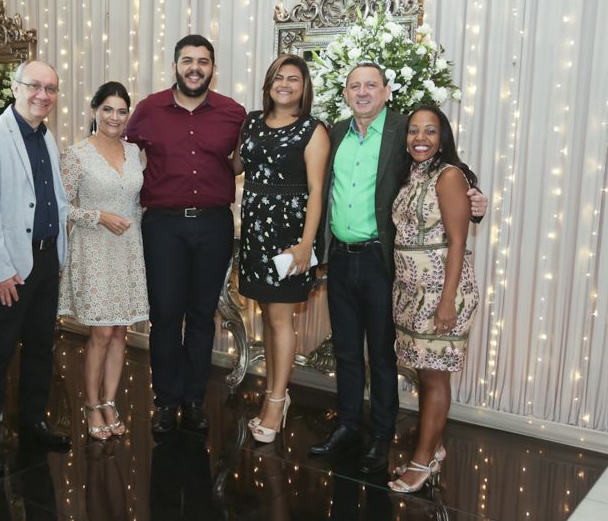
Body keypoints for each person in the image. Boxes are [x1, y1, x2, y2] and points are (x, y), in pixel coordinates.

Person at [308, 63, 487, 475]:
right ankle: (348, 426)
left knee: (382, 355)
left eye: (371, 85)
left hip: (382, 261)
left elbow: (447, 171)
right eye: (355, 86)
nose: (362, 92)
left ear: (387, 91)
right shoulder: (335, 132)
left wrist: (477, 202)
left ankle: (381, 435)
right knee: (347, 351)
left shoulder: (405, 129)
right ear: (345, 93)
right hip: (341, 258)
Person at [124, 34, 246, 433]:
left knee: (201, 315)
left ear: (213, 68)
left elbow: (243, 161)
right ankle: (166, 400)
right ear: (175, 65)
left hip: (213, 225)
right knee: (165, 314)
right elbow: (122, 156)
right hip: (163, 226)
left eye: (203, 61)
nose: (195, 68)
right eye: (188, 60)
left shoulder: (233, 113)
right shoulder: (148, 109)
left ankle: (194, 399)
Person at [0, 60, 70, 474]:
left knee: (41, 346)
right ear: (16, 87)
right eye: (35, 86)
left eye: (51, 88)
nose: (43, 95)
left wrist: (58, 254)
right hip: (8, 264)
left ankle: (33, 421)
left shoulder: (47, 137)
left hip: (44, 257)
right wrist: (0, 270)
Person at [232, 54, 329, 443]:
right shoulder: (252, 121)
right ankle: (275, 391)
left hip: (289, 236)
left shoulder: (312, 130)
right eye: (279, 77)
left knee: (280, 320)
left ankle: (275, 401)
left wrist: (306, 244)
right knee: (267, 318)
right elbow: (236, 165)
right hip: (255, 233)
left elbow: (317, 191)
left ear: (304, 88)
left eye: (293, 79)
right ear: (268, 83)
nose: (285, 84)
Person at [387, 105, 479, 492]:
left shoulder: (449, 175)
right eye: (413, 131)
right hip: (411, 291)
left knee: (436, 376)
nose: (420, 138)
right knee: (425, 373)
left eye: (430, 131)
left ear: (443, 138)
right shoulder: (412, 175)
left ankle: (422, 463)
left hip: (441, 292)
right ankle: (434, 447)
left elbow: (457, 241)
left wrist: (447, 301)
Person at [58, 82, 148, 441]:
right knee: (101, 331)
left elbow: (137, 201)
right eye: (108, 109)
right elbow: (63, 207)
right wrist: (99, 217)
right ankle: (91, 404)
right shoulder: (76, 154)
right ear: (95, 110)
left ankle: (110, 401)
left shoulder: (134, 151)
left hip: (128, 251)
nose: (114, 117)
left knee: (121, 330)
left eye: (122, 111)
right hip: (94, 250)